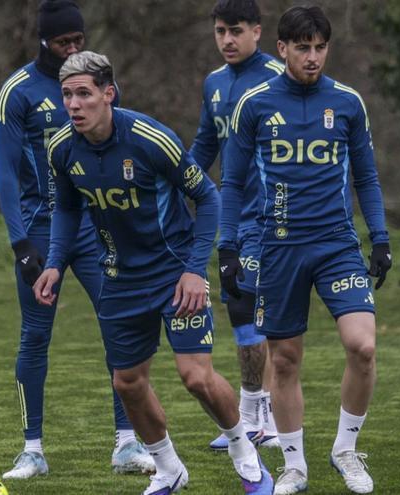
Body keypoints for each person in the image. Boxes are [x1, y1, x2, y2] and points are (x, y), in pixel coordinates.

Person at [33, 51, 274, 495]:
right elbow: (66, 209)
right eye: (66, 95)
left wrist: (194, 270)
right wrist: (53, 263)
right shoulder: (61, 148)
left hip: (174, 274)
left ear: (109, 93)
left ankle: (246, 454)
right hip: (119, 279)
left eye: (83, 94)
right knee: (126, 382)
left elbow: (209, 198)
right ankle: (168, 469)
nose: (73, 105)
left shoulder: (150, 139)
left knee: (196, 376)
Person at [219, 5, 393, 494]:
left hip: (336, 244)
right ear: (282, 49)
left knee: (363, 346)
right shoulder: (254, 104)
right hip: (278, 247)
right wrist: (227, 246)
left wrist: (380, 237)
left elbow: (366, 177)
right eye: (302, 48)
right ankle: (294, 466)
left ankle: (345, 450)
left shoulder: (347, 102)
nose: (312, 57)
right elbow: (231, 182)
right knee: (285, 360)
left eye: (319, 47)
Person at [0, 0, 153, 479]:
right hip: (42, 230)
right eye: (63, 42)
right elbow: (4, 173)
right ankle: (32, 450)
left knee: (118, 327)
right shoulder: (17, 93)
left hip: (96, 228)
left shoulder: (98, 86)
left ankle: (126, 442)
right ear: (43, 40)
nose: (72, 49)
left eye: (78, 40)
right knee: (35, 335)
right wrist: (20, 243)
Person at [190, 0, 284, 452]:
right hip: (234, 215)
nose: (227, 39)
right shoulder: (214, 83)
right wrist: (175, 184)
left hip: (273, 215)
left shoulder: (279, 78)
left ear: (257, 31)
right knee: (241, 311)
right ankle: (252, 415)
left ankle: (269, 416)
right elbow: (205, 145)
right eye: (220, 31)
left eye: (236, 30)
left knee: (261, 312)